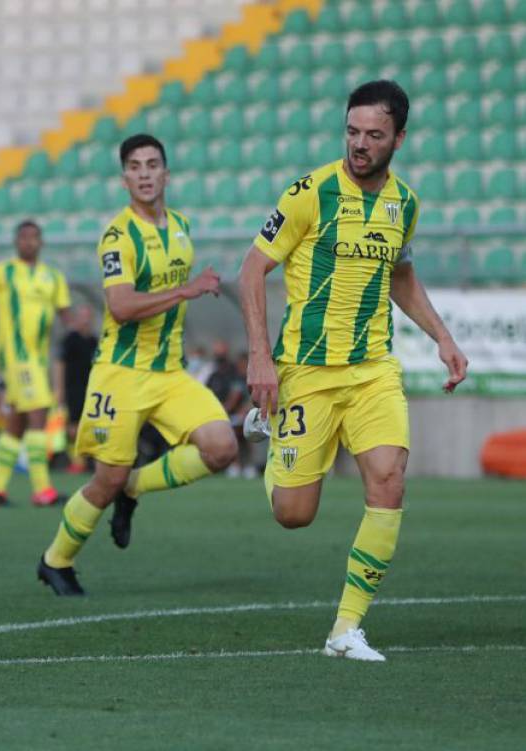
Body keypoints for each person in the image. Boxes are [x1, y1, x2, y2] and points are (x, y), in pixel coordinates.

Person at [238, 80, 467, 661]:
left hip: (373, 371)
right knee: (294, 515)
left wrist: (442, 338)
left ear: (399, 139)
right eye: (352, 131)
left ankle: (346, 628)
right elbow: (250, 271)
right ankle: (270, 434)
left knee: (389, 483)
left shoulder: (404, 204)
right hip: (306, 371)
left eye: (373, 135)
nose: (359, 144)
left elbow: (402, 276)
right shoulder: (308, 193)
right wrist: (261, 357)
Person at [37, 134, 238, 595]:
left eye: (152, 164)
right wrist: (185, 290)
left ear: (166, 174)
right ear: (124, 177)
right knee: (103, 480)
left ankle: (134, 488)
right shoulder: (116, 236)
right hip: (120, 374)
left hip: (168, 373)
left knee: (222, 447)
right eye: (135, 166)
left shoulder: (182, 227)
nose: (144, 173)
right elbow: (122, 306)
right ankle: (56, 561)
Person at [0, 220, 74, 507]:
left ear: (41, 242)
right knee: (39, 414)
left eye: (34, 237)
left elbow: (66, 314)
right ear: (16, 242)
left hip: (38, 359)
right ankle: (42, 490)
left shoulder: (54, 277)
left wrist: (80, 325)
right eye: (24, 237)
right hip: (16, 358)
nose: (29, 242)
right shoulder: (2, 272)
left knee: (16, 423)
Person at [55, 305, 98, 472]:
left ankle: (84, 460)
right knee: (72, 426)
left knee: (87, 425)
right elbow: (60, 363)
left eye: (88, 316)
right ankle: (76, 459)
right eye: (82, 316)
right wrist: (59, 388)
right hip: (72, 388)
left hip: (90, 389)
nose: (85, 320)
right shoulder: (70, 339)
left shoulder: (94, 341)